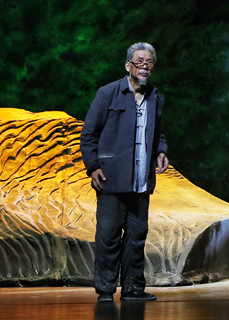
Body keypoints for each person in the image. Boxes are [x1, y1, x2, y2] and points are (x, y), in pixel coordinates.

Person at [80, 42, 170, 303]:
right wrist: (93, 166)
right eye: (139, 61)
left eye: (149, 62)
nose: (144, 66)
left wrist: (161, 151)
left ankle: (132, 289)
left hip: (141, 181)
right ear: (128, 65)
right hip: (111, 179)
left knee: (136, 238)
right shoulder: (108, 93)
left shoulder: (155, 97)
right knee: (108, 237)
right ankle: (105, 291)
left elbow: (158, 133)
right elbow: (88, 135)